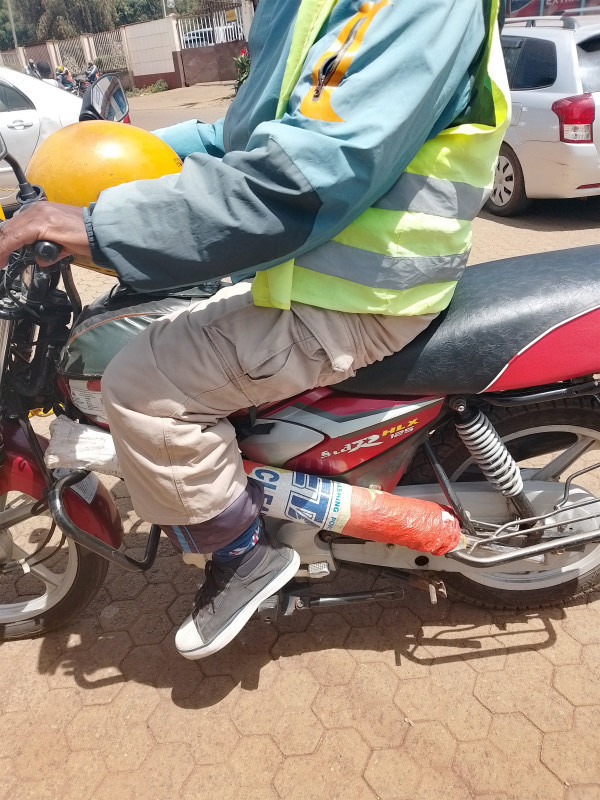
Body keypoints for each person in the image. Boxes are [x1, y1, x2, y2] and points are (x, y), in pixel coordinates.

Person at [0, 0, 509, 660]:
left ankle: (242, 558)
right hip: (311, 272)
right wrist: (114, 155)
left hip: (358, 295)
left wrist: (99, 226)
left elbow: (301, 179)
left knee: (139, 380)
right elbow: (247, 137)